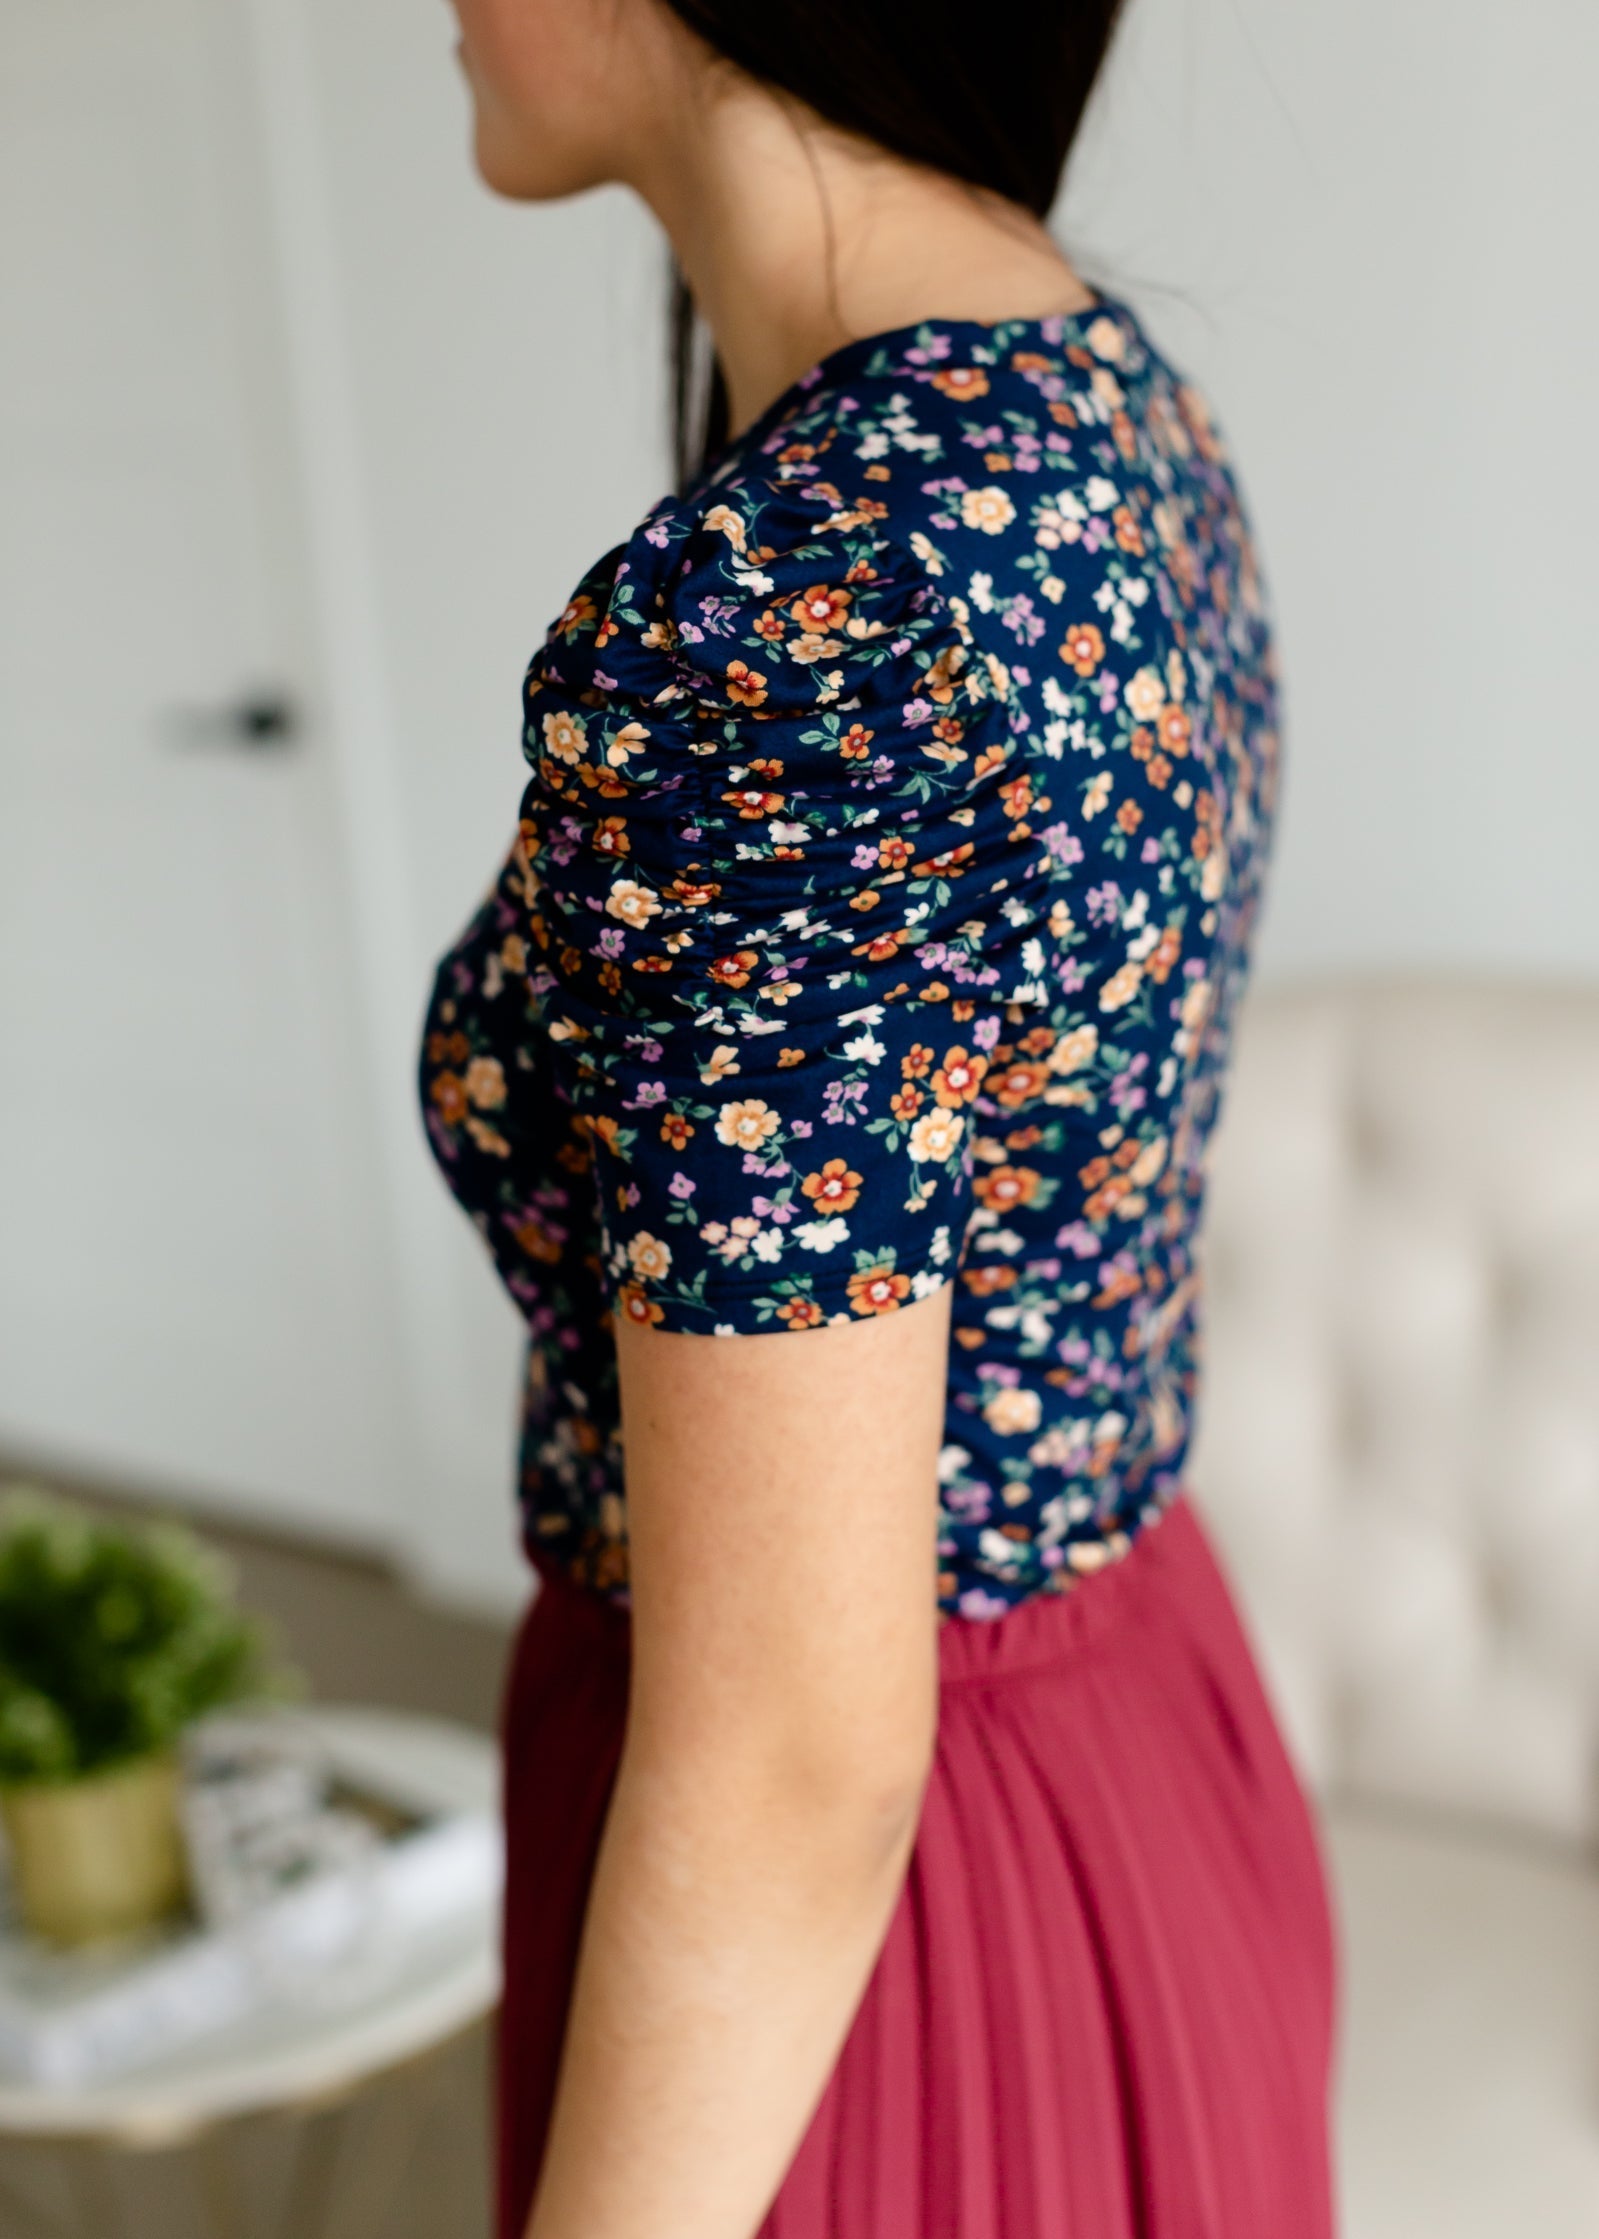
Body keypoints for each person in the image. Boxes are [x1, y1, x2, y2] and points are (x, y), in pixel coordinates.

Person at [420, 3, 1341, 2234]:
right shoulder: (1093, 395)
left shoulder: (812, 613)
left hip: (875, 1940)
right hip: (1122, 1752)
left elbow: (785, 1768)